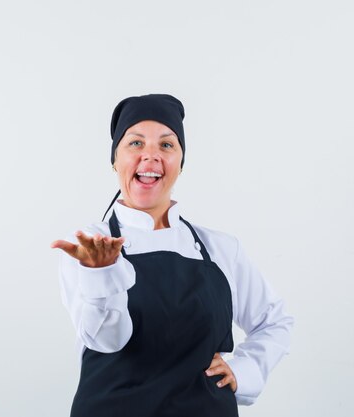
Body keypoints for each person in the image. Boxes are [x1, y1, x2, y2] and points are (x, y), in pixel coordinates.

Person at [51, 94, 293, 417]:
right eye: (135, 144)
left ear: (180, 162)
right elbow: (108, 340)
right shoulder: (90, 246)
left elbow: (274, 321)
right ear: (115, 160)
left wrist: (245, 370)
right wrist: (100, 273)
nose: (150, 157)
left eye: (166, 145)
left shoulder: (220, 248)